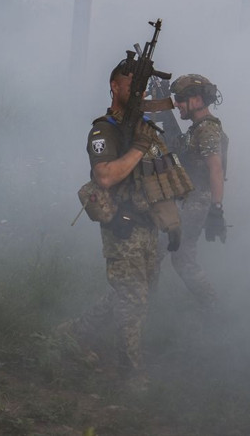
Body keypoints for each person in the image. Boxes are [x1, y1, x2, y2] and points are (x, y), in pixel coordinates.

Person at [57, 58, 181, 392]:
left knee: (137, 296)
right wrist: (139, 147)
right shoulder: (105, 130)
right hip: (122, 227)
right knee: (133, 300)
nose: (137, 92)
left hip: (149, 227)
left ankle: (76, 332)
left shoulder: (144, 128)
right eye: (130, 86)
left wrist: (172, 223)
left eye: (141, 87)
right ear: (114, 87)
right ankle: (131, 373)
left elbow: (161, 177)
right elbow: (106, 175)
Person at [167, 74, 228, 313]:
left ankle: (214, 309)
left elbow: (216, 168)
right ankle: (214, 309)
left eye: (181, 98)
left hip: (194, 202)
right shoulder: (198, 129)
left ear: (198, 100)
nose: (177, 103)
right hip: (188, 200)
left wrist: (216, 209)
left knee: (162, 250)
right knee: (182, 259)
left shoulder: (208, 130)